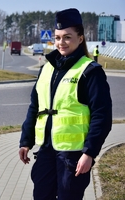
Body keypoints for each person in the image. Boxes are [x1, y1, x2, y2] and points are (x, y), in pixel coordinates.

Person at [18, 8, 112, 200]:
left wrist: (90, 153)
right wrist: (26, 141)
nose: (61, 43)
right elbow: (34, 108)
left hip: (73, 156)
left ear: (81, 38)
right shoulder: (46, 69)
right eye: (58, 37)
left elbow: (102, 116)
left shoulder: (90, 71)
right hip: (46, 152)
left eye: (67, 37)